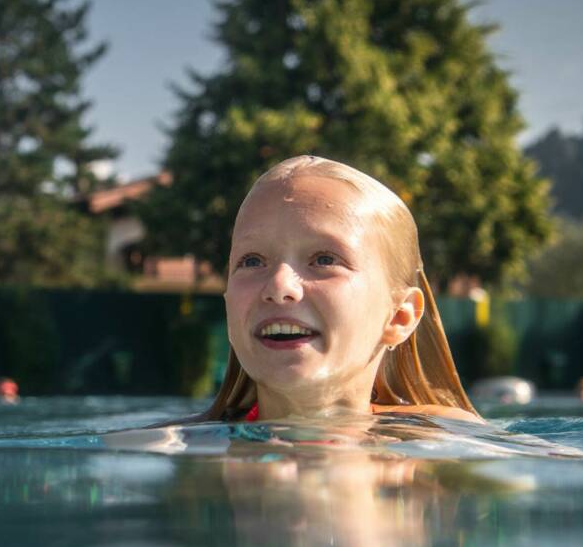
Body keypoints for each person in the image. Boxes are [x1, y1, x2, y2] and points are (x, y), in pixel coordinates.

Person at [201, 155, 481, 423]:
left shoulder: (444, 439)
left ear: (398, 317)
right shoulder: (179, 445)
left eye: (324, 259)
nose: (279, 285)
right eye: (251, 261)